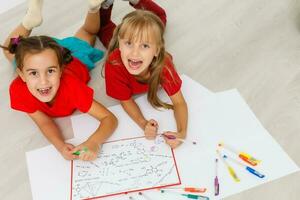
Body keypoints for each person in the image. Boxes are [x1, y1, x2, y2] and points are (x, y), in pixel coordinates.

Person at [0, 0, 118, 161]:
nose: (43, 82)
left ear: (61, 69)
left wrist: (94, 142)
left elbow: (109, 118)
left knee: (88, 32)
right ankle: (29, 20)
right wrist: (60, 145)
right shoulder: (18, 90)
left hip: (75, 58)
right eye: (33, 73)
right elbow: (43, 122)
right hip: (44, 57)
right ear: (21, 74)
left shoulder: (72, 88)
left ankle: (93, 7)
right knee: (9, 49)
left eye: (50, 71)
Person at [101, 0, 188, 149]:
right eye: (128, 43)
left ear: (156, 51)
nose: (135, 53)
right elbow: (125, 100)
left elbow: (179, 102)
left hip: (149, 43)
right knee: (104, 29)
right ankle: (105, 5)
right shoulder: (114, 63)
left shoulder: (164, 65)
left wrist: (182, 133)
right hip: (120, 45)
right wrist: (143, 123)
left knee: (160, 17)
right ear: (120, 45)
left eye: (145, 46)